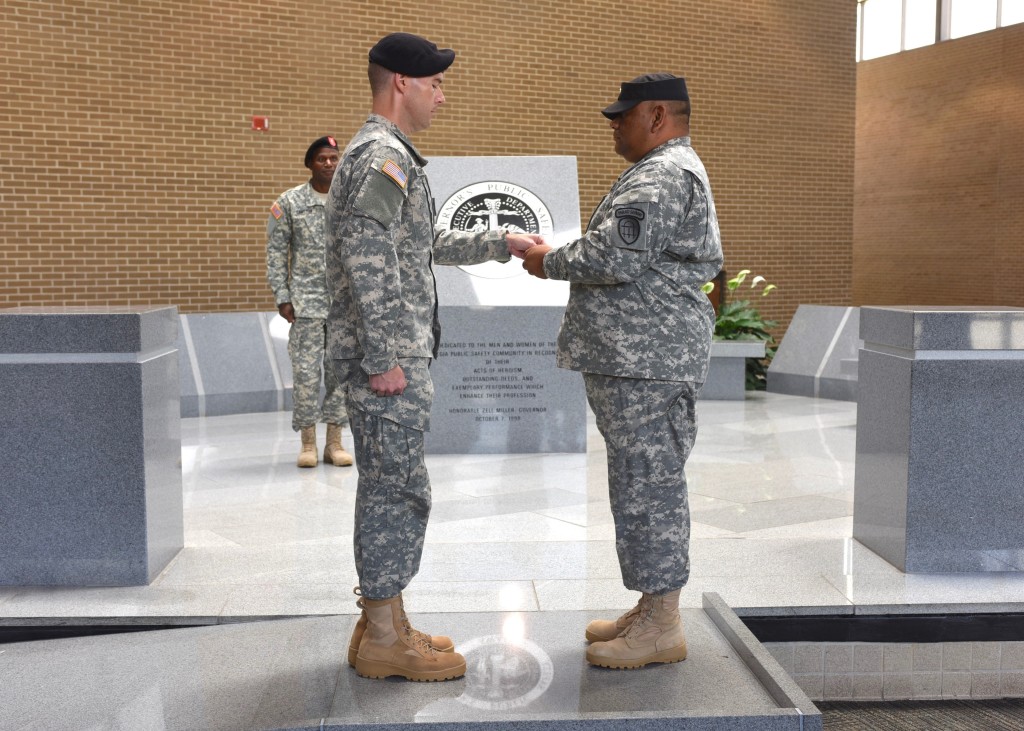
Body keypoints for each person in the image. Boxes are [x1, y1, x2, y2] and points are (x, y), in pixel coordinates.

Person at [325, 32, 541, 682]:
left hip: (392, 355)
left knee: (390, 486)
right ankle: (387, 636)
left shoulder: (385, 156)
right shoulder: (382, 157)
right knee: (397, 491)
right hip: (390, 363)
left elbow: (418, 244)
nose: (442, 96)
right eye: (435, 84)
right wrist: (386, 355)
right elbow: (369, 257)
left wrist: (498, 241)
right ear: (400, 83)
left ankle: (383, 621)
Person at [521, 73, 724, 670]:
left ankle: (662, 622)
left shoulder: (663, 173)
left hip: (649, 363)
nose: (613, 124)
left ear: (657, 116)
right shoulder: (660, 168)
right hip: (640, 360)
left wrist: (544, 259)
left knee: (650, 485)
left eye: (623, 115)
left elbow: (615, 254)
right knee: (639, 482)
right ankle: (653, 603)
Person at [266, 136, 354, 469]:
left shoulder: (350, 201)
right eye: (322, 159)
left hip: (344, 305)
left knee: (340, 375)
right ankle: (307, 443)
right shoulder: (289, 202)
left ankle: (334, 441)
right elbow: (276, 252)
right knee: (305, 375)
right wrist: (282, 295)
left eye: (334, 158)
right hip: (305, 303)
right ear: (310, 164)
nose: (329, 164)